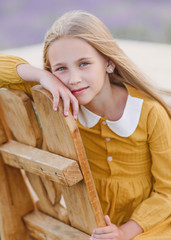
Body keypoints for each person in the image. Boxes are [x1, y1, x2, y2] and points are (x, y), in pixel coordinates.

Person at [0, 11, 171, 240]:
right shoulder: (59, 101)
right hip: (86, 226)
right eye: (61, 68)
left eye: (84, 64)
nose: (73, 79)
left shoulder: (149, 113)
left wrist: (124, 232)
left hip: (146, 225)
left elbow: (167, 192)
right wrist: (43, 77)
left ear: (109, 62)